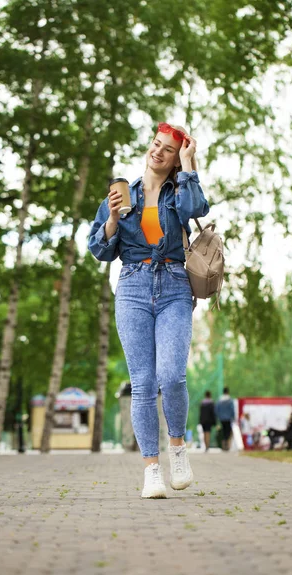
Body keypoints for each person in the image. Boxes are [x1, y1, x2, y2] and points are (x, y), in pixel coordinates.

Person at [88, 122, 209, 499]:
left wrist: (189, 165)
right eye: (156, 145)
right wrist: (110, 220)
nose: (158, 152)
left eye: (168, 150)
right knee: (141, 383)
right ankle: (151, 470)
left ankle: (177, 450)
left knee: (171, 375)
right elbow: (99, 248)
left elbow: (197, 208)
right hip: (133, 288)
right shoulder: (124, 194)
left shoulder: (179, 189)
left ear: (175, 159)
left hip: (174, 284)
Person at [215, 387, 235, 451]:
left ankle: (224, 444)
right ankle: (227, 445)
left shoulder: (220, 400)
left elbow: (217, 409)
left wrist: (218, 416)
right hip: (228, 418)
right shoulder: (230, 400)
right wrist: (233, 416)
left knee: (223, 431)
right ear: (228, 392)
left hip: (222, 418)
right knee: (228, 431)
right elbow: (232, 409)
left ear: (223, 392)